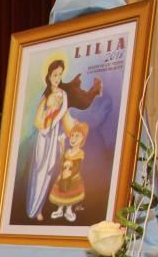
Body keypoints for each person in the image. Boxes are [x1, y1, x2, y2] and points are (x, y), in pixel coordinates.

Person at [24, 57, 102, 222]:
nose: (57, 78)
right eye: (55, 75)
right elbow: (39, 120)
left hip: (53, 136)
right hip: (44, 136)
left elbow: (63, 113)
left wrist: (69, 126)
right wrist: (47, 120)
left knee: (50, 169)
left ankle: (40, 207)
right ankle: (33, 208)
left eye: (60, 75)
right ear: (48, 76)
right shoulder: (45, 97)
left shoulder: (63, 94)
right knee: (39, 170)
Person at [48, 121, 88, 222]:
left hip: (73, 178)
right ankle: (60, 209)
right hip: (63, 176)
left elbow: (77, 167)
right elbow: (61, 161)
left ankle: (69, 210)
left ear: (82, 138)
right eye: (72, 135)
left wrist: (70, 174)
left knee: (70, 195)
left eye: (77, 136)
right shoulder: (68, 151)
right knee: (61, 193)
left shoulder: (80, 153)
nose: (73, 138)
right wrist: (61, 145)